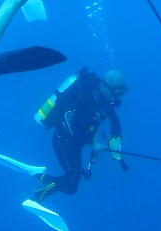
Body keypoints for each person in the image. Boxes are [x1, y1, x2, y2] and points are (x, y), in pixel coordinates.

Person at [33, 66, 128, 202]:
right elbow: (74, 127)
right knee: (71, 179)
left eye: (121, 92)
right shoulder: (86, 98)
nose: (117, 96)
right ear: (104, 86)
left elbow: (114, 120)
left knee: (71, 187)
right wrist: (93, 143)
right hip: (63, 139)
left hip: (76, 144)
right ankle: (36, 198)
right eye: (116, 91)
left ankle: (40, 177)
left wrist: (116, 136)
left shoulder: (107, 101)